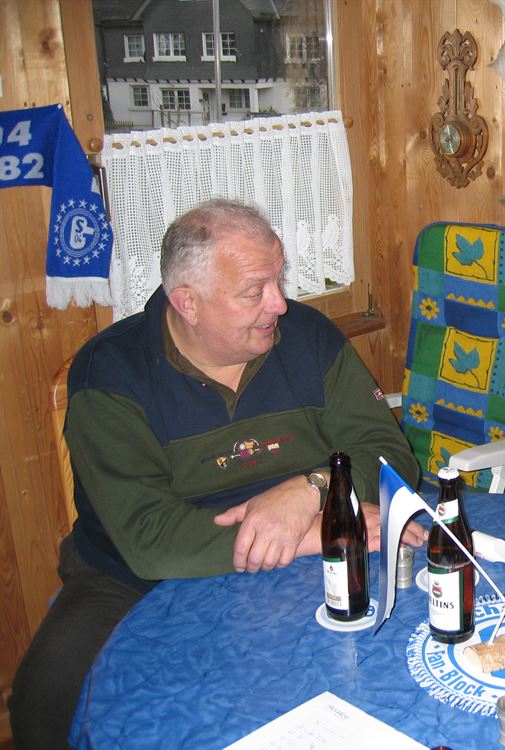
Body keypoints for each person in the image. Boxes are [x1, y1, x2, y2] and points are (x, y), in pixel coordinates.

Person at [9, 199, 423, 750]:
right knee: (45, 697)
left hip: (310, 552)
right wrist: (310, 532)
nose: (280, 304)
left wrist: (313, 490)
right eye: (255, 291)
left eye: (278, 279)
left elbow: (389, 453)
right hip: (135, 578)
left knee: (394, 663)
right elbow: (150, 539)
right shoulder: (109, 373)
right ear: (188, 302)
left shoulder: (309, 339)